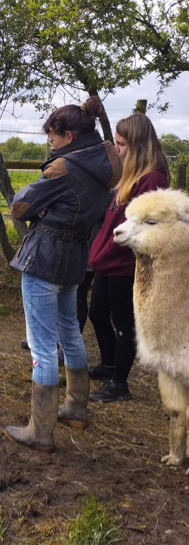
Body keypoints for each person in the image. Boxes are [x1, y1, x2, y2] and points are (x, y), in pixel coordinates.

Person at [4, 97, 122, 450]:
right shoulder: (106, 165)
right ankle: (76, 407)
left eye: (52, 138)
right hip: (75, 258)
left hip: (44, 258)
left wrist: (42, 205)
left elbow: (19, 207)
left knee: (42, 344)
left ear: (68, 136)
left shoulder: (64, 168)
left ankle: (40, 431)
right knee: (70, 332)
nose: (50, 145)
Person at [87, 113, 170, 403]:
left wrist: (106, 251)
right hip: (105, 260)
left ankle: (119, 383)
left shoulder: (153, 179)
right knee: (96, 313)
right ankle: (108, 364)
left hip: (125, 264)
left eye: (122, 144)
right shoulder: (131, 174)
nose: (118, 149)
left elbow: (141, 229)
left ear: (136, 145)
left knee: (123, 322)